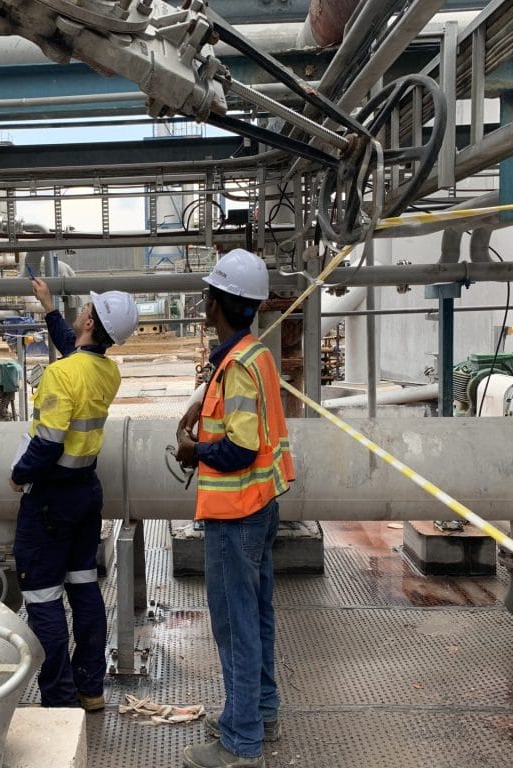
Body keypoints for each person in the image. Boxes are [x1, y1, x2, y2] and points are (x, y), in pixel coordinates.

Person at [175, 248, 297, 768]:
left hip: (237, 514)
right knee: (258, 615)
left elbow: (239, 449)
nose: (203, 299)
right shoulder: (252, 355)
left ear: (220, 302)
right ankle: (259, 712)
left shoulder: (239, 368)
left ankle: (241, 742)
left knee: (236, 625)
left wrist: (193, 450)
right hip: (261, 507)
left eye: (209, 292)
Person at [10, 276, 139, 710]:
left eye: (85, 309)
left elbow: (46, 442)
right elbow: (78, 349)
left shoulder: (60, 374)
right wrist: (48, 307)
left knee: (42, 596)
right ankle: (90, 689)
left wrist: (18, 473)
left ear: (88, 319)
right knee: (84, 588)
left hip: (49, 498)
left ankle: (60, 701)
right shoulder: (107, 371)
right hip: (86, 493)